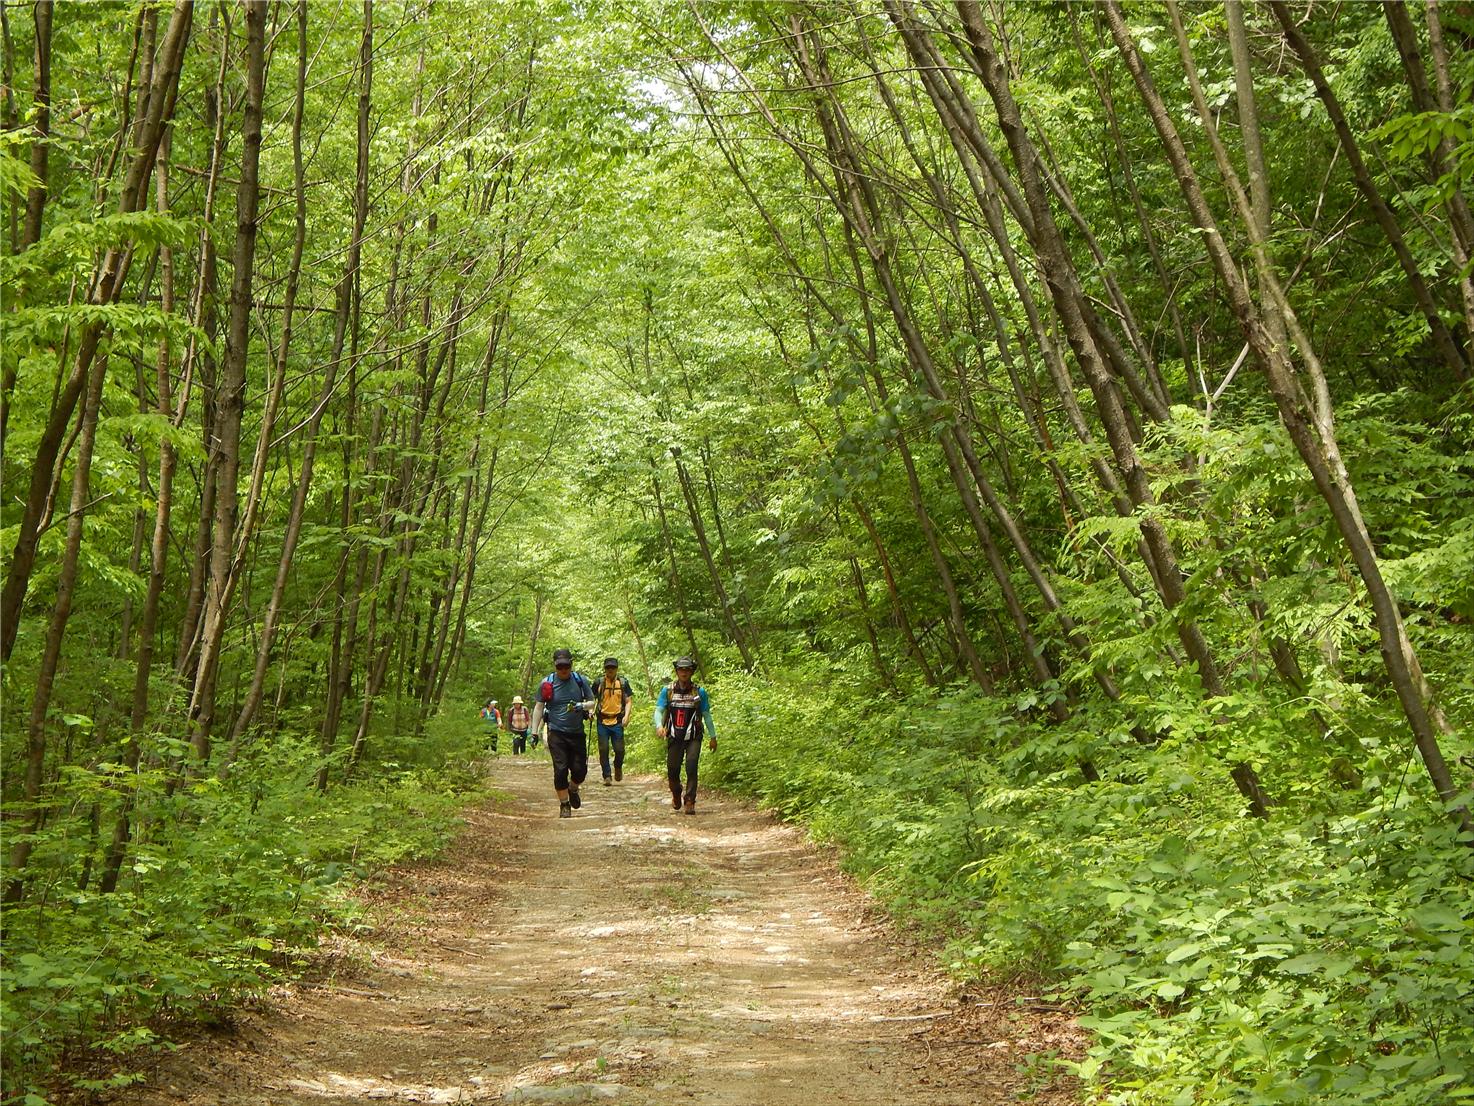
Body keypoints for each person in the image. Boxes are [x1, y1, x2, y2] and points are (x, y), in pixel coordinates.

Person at [529, 647, 595, 818]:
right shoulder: (547, 683)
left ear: (571, 664)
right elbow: (538, 708)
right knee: (560, 770)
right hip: (556, 733)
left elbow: (592, 702)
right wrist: (534, 732)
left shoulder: (580, 680)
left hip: (577, 732)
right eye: (560, 667)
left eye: (566, 666)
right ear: (555, 666)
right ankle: (564, 804)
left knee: (580, 771)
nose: (563, 670)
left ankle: (573, 789)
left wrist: (581, 706)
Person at [654, 655, 716, 815]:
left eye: (687, 669)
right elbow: (659, 710)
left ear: (692, 672)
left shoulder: (699, 692)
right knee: (672, 769)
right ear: (676, 671)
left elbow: (706, 715)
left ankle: (690, 800)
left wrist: (713, 737)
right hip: (674, 736)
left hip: (694, 736)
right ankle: (676, 792)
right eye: (681, 669)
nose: (684, 672)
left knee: (692, 764)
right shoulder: (667, 691)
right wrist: (659, 725)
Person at [592, 657, 634, 785]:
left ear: (616, 668)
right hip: (602, 720)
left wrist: (627, 716)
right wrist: (590, 711)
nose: (610, 670)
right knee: (603, 749)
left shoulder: (623, 683)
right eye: (608, 667)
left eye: (613, 667)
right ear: (604, 669)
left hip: (617, 720)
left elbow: (628, 701)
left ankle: (618, 766)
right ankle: (607, 776)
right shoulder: (598, 682)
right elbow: (591, 698)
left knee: (620, 750)